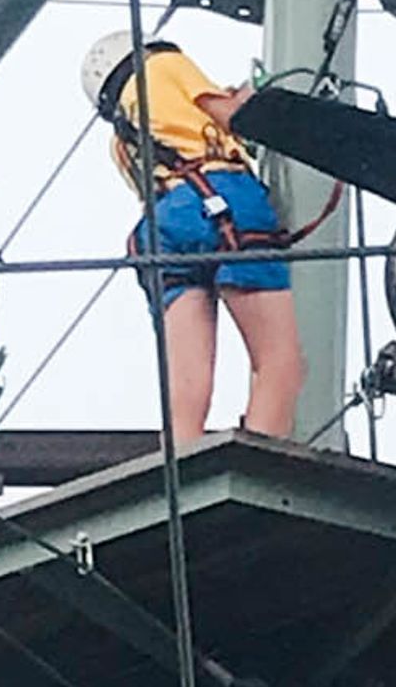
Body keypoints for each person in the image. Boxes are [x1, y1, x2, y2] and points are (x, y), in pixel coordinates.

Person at [83, 28, 303, 443]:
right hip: (223, 197)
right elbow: (231, 115)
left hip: (163, 225)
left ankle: (183, 462)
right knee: (280, 362)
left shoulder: (120, 142)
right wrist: (249, 97)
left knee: (187, 387)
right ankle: (262, 462)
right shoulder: (165, 67)